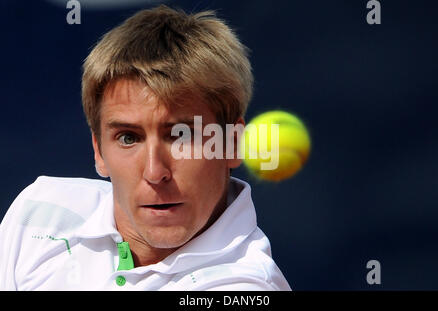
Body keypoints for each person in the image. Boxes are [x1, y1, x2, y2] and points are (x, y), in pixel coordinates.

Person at [0, 5, 291, 290]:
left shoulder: (245, 285)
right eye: (128, 138)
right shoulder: (38, 212)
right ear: (98, 150)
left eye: (181, 136)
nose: (155, 172)